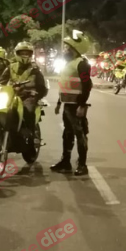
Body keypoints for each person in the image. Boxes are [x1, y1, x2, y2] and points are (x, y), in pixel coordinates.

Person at [52, 30, 93, 176]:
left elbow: (87, 85)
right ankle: (65, 162)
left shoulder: (82, 64)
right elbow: (65, 85)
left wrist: (82, 105)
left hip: (77, 106)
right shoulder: (69, 63)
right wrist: (58, 102)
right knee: (67, 134)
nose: (65, 50)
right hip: (67, 104)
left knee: (80, 134)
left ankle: (82, 165)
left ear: (75, 50)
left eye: (68, 48)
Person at [0, 42, 48, 142]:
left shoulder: (35, 69)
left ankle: (30, 135)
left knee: (28, 110)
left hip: (28, 96)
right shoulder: (11, 67)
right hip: (11, 95)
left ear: (31, 55)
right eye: (22, 53)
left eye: (27, 53)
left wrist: (35, 94)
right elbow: (1, 80)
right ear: (17, 54)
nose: (25, 55)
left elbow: (41, 86)